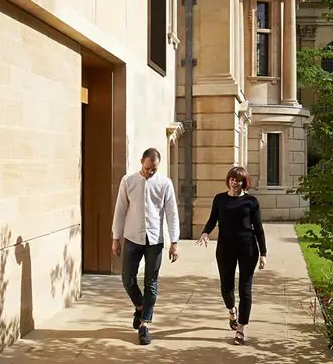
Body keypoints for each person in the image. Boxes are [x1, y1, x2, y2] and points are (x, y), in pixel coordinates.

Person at [112, 147, 180, 346]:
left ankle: (144, 325)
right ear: (142, 161)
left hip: (155, 240)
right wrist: (116, 238)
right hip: (132, 238)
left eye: (154, 169)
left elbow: (172, 214)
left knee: (151, 283)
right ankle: (141, 306)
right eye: (148, 167)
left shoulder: (164, 183)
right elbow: (120, 211)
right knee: (127, 279)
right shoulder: (128, 181)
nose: (151, 172)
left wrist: (174, 242)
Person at [197, 164, 266, 346]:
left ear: (245, 183)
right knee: (226, 287)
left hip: (248, 249)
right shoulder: (219, 199)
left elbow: (258, 229)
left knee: (245, 289)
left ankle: (241, 329)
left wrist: (263, 253)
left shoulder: (251, 202)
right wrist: (205, 232)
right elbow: (213, 219)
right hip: (225, 248)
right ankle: (231, 311)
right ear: (228, 180)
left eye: (239, 180)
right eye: (233, 179)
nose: (235, 183)